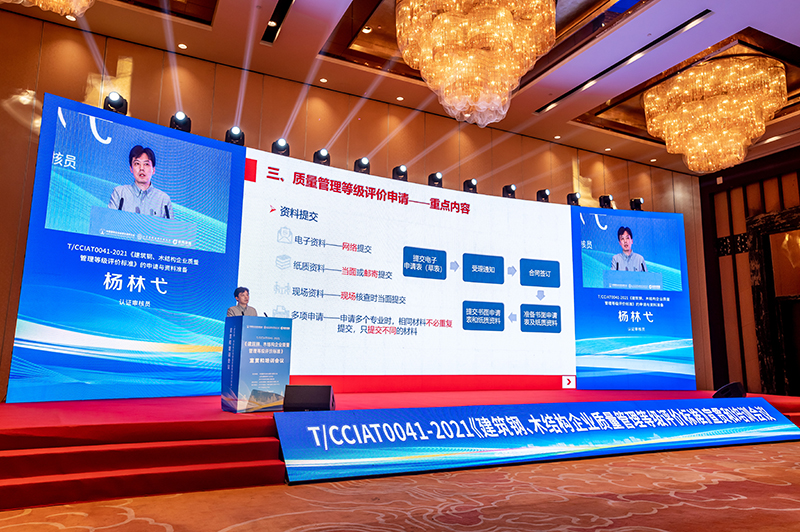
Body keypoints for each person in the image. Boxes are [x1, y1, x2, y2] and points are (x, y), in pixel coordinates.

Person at [108, 145, 173, 218]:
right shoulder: (120, 193)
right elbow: (109, 221)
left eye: (146, 164)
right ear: (131, 168)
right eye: (137, 163)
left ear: (153, 170)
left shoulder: (163, 200)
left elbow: (169, 225)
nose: (141, 168)